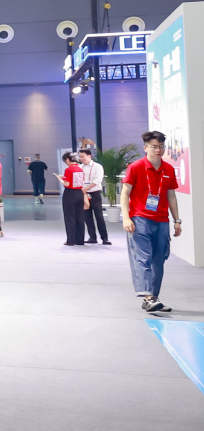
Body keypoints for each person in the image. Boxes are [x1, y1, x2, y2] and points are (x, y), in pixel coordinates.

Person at [121, 131, 182, 314]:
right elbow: (125, 193)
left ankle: (153, 297)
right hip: (140, 219)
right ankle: (148, 297)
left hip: (161, 220)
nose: (158, 150)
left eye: (161, 146)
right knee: (143, 258)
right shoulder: (136, 167)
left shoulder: (168, 169)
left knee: (159, 260)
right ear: (145, 148)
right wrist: (126, 217)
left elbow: (171, 196)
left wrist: (177, 220)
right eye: (154, 146)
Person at [78, 148, 110, 245]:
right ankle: (92, 237)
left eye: (83, 156)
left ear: (89, 156)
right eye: (80, 157)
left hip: (94, 193)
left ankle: (104, 238)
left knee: (99, 216)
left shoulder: (97, 166)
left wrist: (86, 188)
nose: (81, 158)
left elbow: (97, 180)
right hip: (84, 194)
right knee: (87, 216)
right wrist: (82, 190)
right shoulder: (80, 167)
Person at [59, 151, 87, 246]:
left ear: (67, 159)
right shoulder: (80, 169)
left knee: (70, 217)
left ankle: (71, 240)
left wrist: (60, 179)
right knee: (80, 217)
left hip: (70, 194)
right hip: (79, 193)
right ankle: (80, 240)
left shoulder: (68, 169)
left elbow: (67, 184)